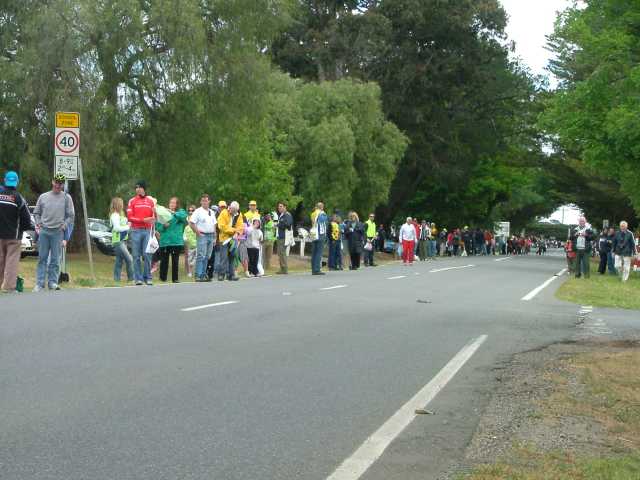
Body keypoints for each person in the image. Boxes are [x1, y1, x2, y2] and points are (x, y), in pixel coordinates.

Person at [33, 174, 75, 291]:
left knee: (56, 259)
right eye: (56, 182)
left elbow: (71, 216)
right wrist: (39, 223)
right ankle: (39, 284)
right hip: (44, 231)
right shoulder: (43, 197)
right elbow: (36, 212)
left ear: (63, 185)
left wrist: (64, 226)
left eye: (60, 183)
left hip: (58, 232)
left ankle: (53, 283)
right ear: (52, 182)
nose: (58, 185)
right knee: (42, 258)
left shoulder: (67, 198)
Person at [0, 171, 33, 293]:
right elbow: (26, 218)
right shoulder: (18, 198)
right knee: (11, 261)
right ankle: (8, 287)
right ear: (17, 182)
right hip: (13, 236)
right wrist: (24, 229)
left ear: (5, 180)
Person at [126, 180, 155, 286]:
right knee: (136, 255)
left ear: (144, 188)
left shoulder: (150, 201)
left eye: (139, 187)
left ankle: (147, 277)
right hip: (136, 231)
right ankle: (138, 278)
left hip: (147, 231)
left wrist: (154, 223)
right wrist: (143, 220)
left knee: (147, 254)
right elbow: (130, 217)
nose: (137, 189)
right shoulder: (132, 201)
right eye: (136, 187)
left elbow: (153, 217)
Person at [157, 197, 187, 283]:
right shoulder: (163, 214)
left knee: (175, 261)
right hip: (165, 241)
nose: (172, 204)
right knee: (164, 261)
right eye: (171, 203)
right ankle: (162, 278)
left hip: (176, 241)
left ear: (177, 204)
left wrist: (173, 212)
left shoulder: (180, 212)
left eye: (174, 203)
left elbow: (183, 217)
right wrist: (163, 226)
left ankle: (175, 278)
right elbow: (158, 227)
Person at [189, 194, 217, 282]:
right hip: (202, 235)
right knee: (201, 255)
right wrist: (197, 232)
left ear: (209, 201)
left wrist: (215, 236)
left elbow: (214, 224)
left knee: (207, 256)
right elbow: (191, 223)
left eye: (206, 200)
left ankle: (203, 274)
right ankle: (198, 274)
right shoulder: (198, 211)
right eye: (203, 200)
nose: (204, 202)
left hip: (211, 235)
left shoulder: (211, 212)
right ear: (201, 202)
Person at [217, 200, 244, 281]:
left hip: (234, 239)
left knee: (232, 257)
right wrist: (234, 230)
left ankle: (231, 275)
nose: (234, 212)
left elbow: (240, 227)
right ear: (230, 207)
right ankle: (221, 274)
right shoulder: (224, 213)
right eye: (233, 210)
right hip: (224, 239)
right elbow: (222, 226)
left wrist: (237, 232)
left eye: (235, 211)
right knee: (224, 257)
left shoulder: (239, 214)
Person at [109, 197, 133, 282]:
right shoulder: (114, 215)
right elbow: (116, 228)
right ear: (118, 205)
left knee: (119, 261)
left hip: (123, 240)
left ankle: (116, 280)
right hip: (118, 241)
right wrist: (127, 227)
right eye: (121, 204)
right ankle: (131, 279)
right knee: (129, 259)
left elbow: (123, 224)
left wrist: (128, 224)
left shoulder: (120, 215)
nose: (123, 206)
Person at [310, 201, 329, 275]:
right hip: (320, 234)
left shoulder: (313, 213)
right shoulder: (322, 213)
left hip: (313, 234)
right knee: (319, 252)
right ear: (321, 207)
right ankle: (317, 269)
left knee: (314, 252)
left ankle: (313, 269)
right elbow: (323, 221)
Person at [276, 201, 293, 274]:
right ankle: (282, 268)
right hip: (280, 236)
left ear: (285, 207)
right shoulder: (281, 215)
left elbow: (288, 224)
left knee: (282, 252)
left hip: (284, 236)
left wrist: (279, 225)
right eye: (279, 206)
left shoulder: (287, 215)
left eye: (281, 206)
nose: (279, 208)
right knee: (280, 253)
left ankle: (284, 269)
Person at [183, 205, 197, 277]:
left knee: (197, 256)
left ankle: (193, 268)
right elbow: (184, 230)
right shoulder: (186, 219)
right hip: (188, 241)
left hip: (197, 241)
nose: (191, 212)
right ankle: (188, 271)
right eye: (189, 210)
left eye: (192, 210)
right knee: (188, 256)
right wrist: (185, 239)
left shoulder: (197, 218)